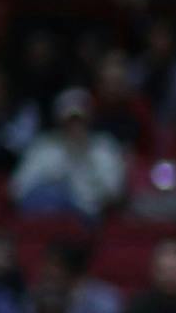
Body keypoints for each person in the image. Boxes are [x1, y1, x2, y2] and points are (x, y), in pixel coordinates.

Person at [10, 88, 126, 218]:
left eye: (80, 121)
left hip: (89, 220)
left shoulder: (103, 148)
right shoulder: (43, 148)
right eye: (70, 122)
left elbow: (114, 192)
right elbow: (17, 189)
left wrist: (86, 160)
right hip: (47, 219)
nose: (75, 127)